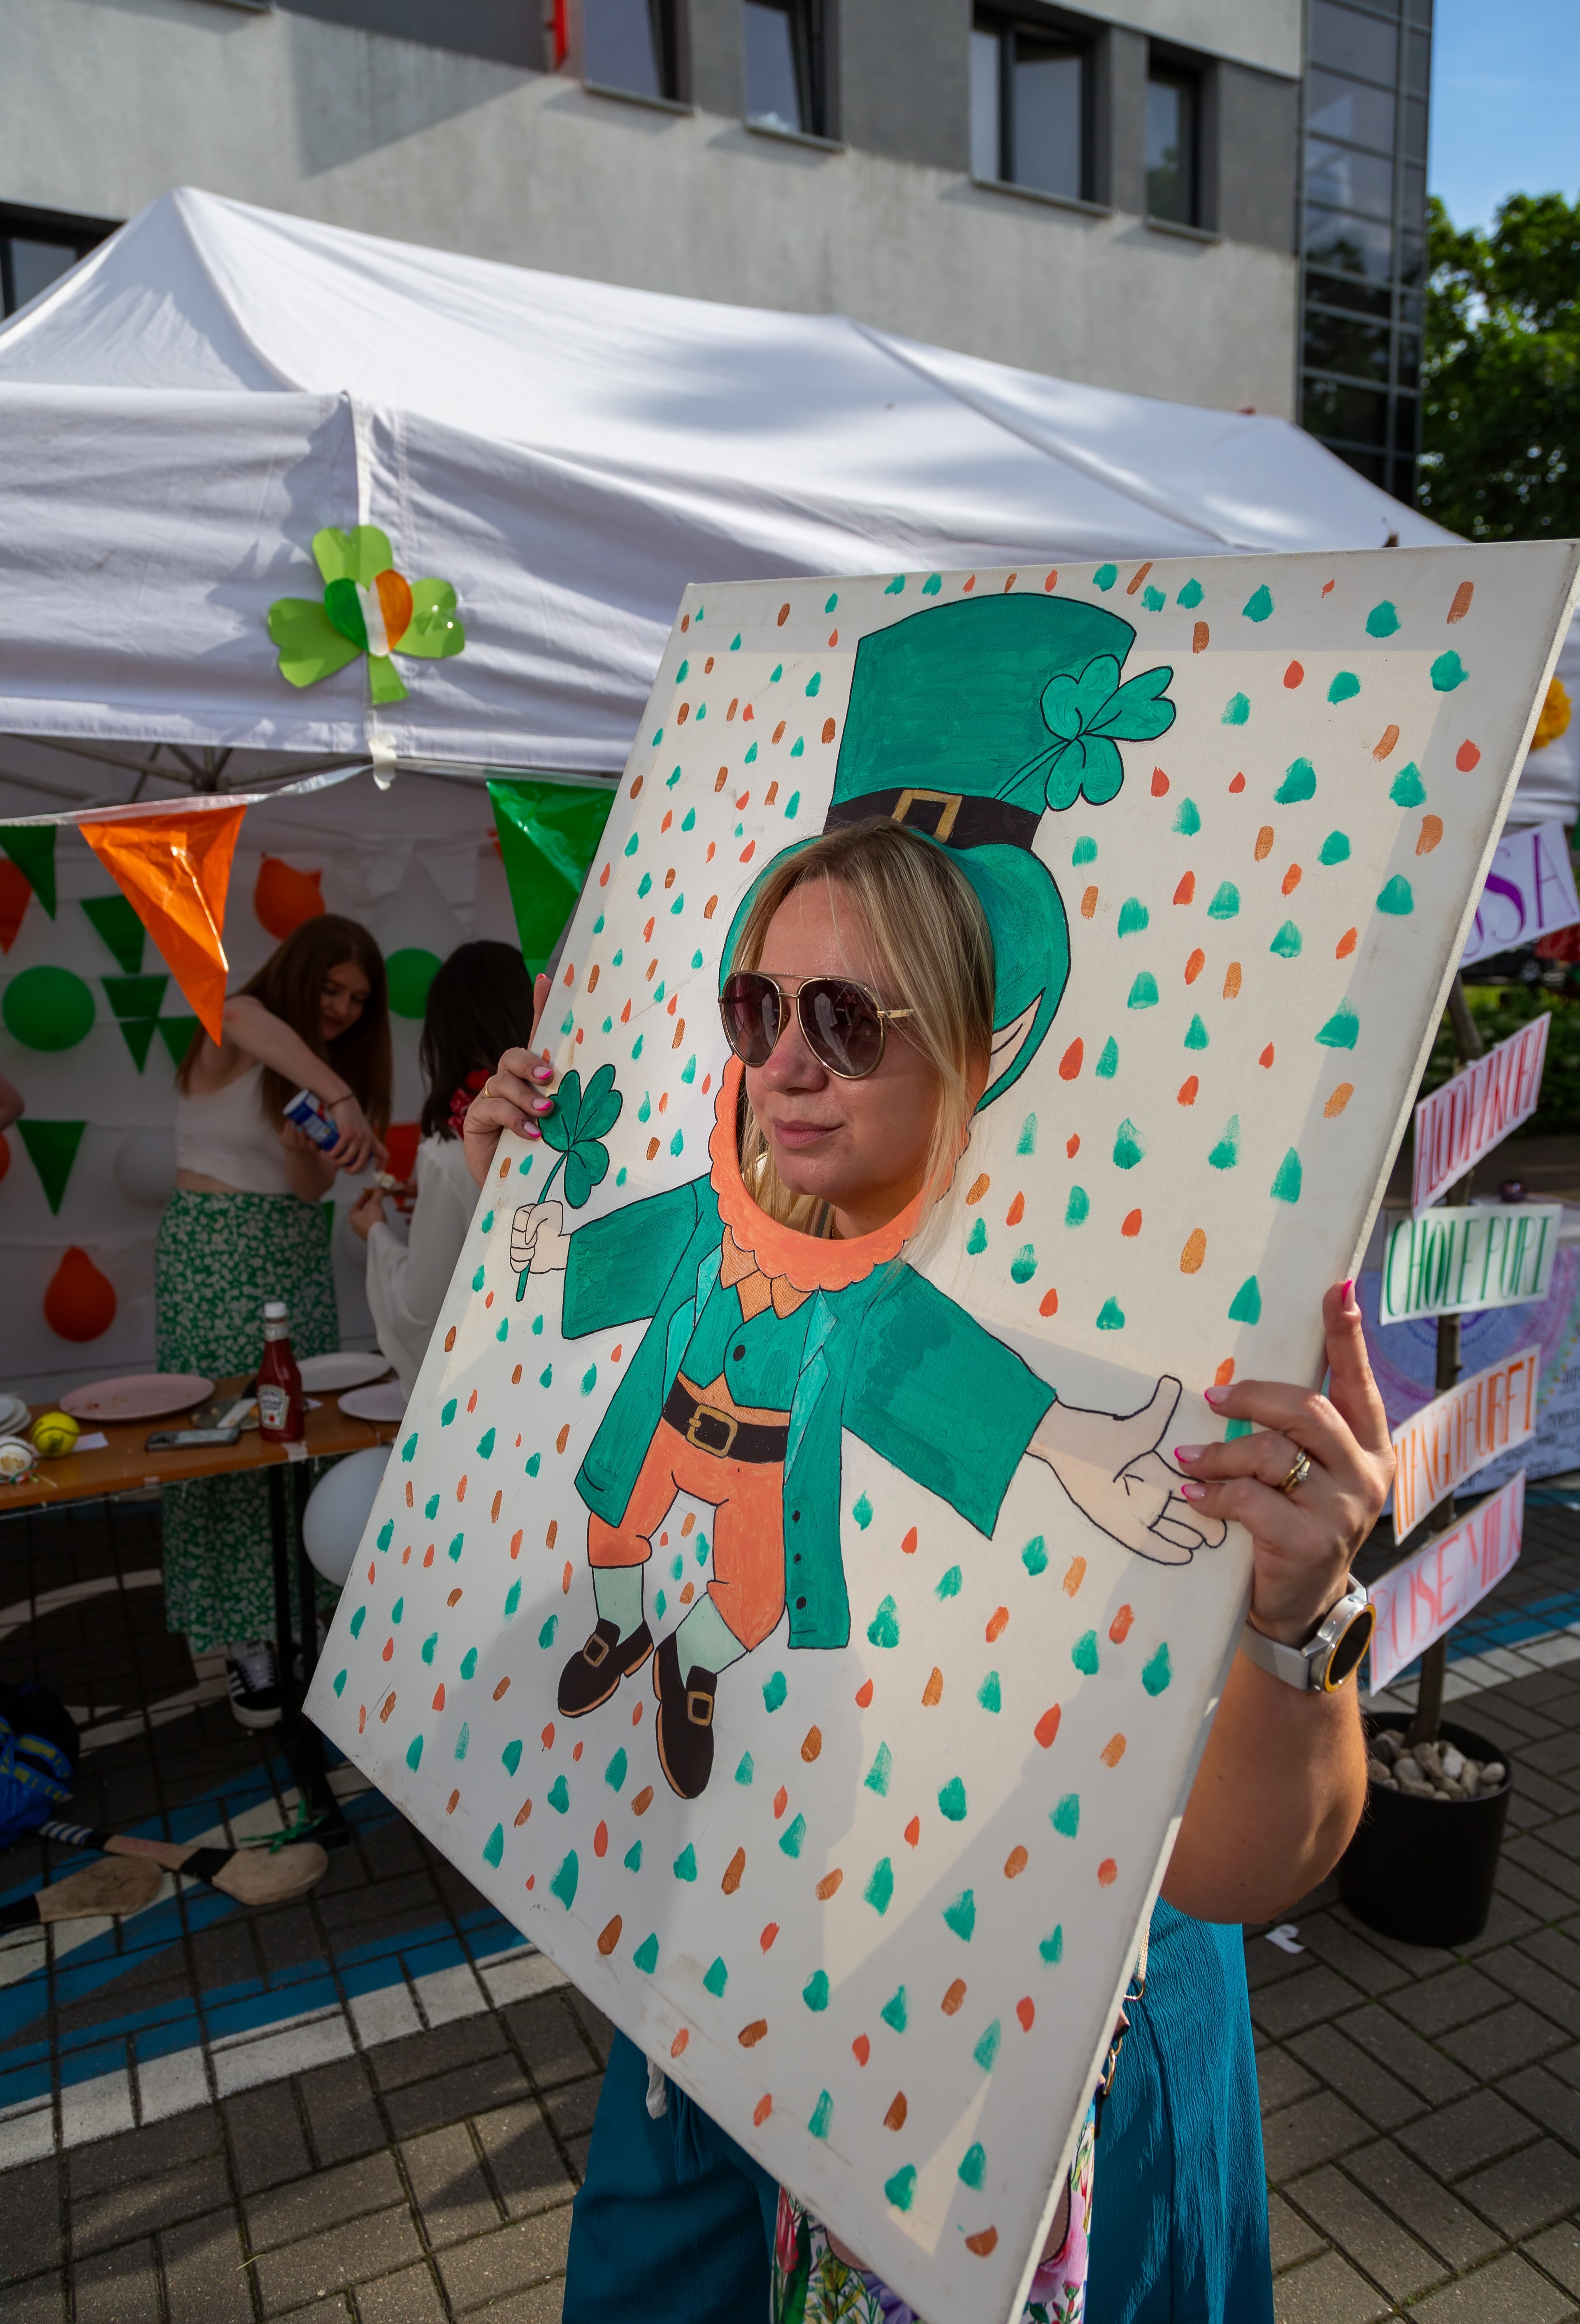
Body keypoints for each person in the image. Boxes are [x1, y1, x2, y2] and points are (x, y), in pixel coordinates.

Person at [465, 820, 1392, 2324]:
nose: (783, 1064)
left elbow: (1248, 1863)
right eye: (757, 1009)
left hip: (1016, 2055)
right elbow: (549, 1309)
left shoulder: (1154, 1335)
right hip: (714, 1983)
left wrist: (1292, 1614)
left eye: (844, 1018)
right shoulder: (735, 1238)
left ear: (979, 1046)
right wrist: (513, 1187)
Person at [156, 914, 390, 1728]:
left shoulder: (319, 1070)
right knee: (228, 1439)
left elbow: (308, 1191)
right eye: (331, 988)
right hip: (212, 1255)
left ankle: (307, 1614)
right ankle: (247, 1637)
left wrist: (305, 1144)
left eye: (358, 999)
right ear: (297, 974)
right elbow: (235, 1008)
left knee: (300, 1436)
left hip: (293, 1253)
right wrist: (339, 1095)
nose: (343, 1009)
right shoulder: (242, 1029)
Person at [349, 940, 538, 1392]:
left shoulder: (446, 1149)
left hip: (484, 1384)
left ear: (442, 1035)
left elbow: (422, 1310)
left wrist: (375, 1232)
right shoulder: (555, 1116)